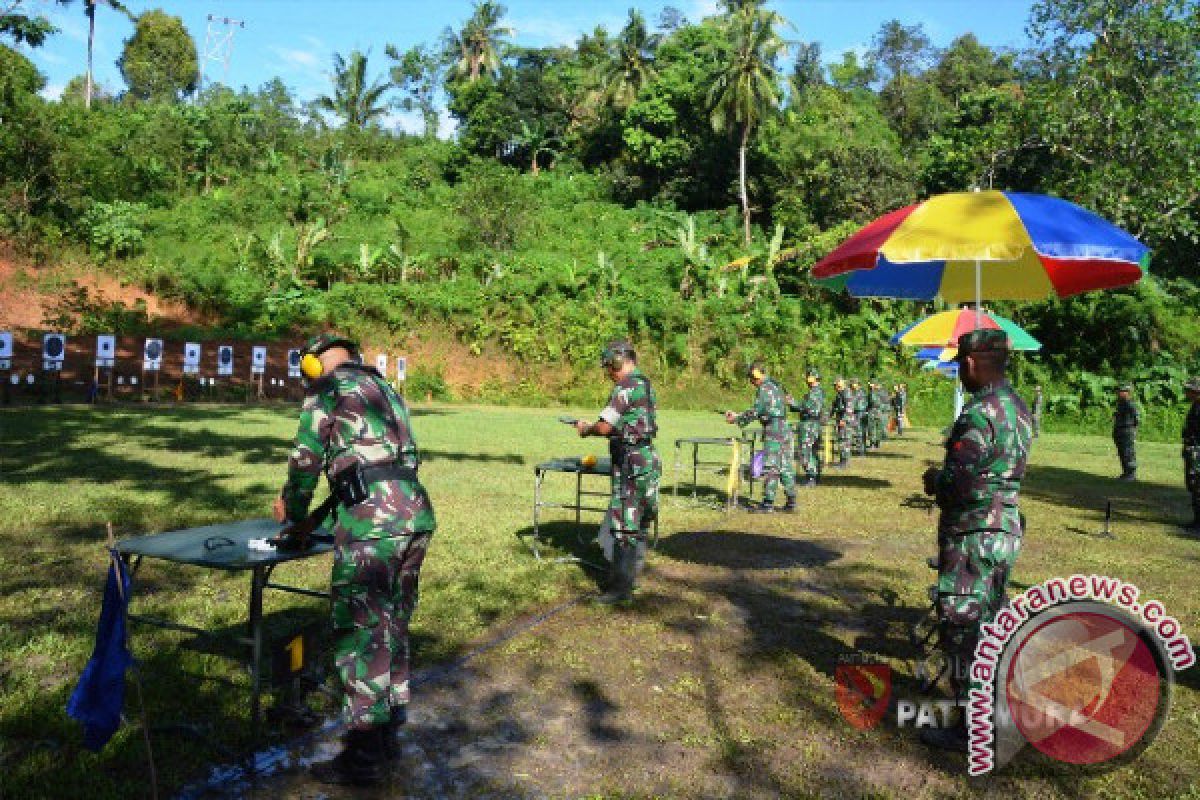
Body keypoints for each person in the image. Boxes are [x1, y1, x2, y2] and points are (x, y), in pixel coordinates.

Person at [274, 332, 437, 786]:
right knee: (393, 627)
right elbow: (370, 467)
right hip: (414, 516)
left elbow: (306, 460)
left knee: (363, 632)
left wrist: (293, 512)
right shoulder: (385, 389)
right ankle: (387, 738)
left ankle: (362, 758)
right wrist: (320, 518)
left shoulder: (325, 389)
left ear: (313, 364)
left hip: (373, 528)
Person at [920, 329, 1032, 751]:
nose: (960, 372)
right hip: (1004, 528)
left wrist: (935, 480)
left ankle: (970, 728)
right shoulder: (1018, 408)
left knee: (963, 625)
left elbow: (959, 484)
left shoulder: (979, 414)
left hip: (973, 534)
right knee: (993, 622)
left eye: (959, 364)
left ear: (970, 363)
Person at [576, 340, 661, 603]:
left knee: (625, 523)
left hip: (630, 462)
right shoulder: (645, 383)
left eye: (609, 367)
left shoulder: (624, 387)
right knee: (641, 520)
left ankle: (619, 590)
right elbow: (629, 422)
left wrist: (586, 428)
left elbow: (603, 427)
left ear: (616, 362)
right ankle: (632, 577)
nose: (608, 373)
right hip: (646, 458)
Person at [727, 362, 797, 513]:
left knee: (771, 466)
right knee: (785, 466)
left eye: (751, 379)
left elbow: (755, 411)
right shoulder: (775, 385)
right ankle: (791, 502)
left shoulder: (764, 389)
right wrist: (739, 416)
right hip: (784, 428)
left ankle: (768, 504)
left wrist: (737, 419)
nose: (752, 382)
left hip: (773, 429)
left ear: (755, 377)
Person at [790, 369, 824, 488]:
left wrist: (792, 402)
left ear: (814, 378)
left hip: (809, 424)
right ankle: (814, 475)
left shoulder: (814, 392)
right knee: (813, 451)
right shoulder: (817, 392)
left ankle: (811, 476)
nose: (806, 378)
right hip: (814, 424)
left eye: (809, 376)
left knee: (805, 451)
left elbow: (805, 407)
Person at [1183, 377, 1200, 533]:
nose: (1186, 392)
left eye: (1188, 390)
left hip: (1198, 452)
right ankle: (1197, 520)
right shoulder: (1195, 406)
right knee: (1194, 485)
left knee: (1198, 486)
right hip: (1193, 450)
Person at [1113, 384, 1140, 481]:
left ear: (1126, 392)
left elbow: (1136, 418)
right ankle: (1125, 473)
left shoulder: (1130, 404)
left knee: (1128, 452)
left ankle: (1131, 474)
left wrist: (1133, 431)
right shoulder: (1121, 403)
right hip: (1119, 430)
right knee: (1122, 452)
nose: (1118, 393)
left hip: (1127, 431)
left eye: (1120, 391)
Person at [830, 378, 855, 468]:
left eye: (836, 385)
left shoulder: (846, 392)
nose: (835, 387)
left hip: (846, 421)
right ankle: (843, 460)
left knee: (845, 441)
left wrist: (844, 419)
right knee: (842, 440)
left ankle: (844, 462)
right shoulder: (839, 394)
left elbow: (849, 407)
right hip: (841, 420)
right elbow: (833, 407)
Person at [852, 379, 869, 455]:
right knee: (859, 432)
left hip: (860, 413)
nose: (852, 385)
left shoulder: (860, 393)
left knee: (860, 432)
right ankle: (861, 449)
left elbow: (856, 404)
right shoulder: (855, 392)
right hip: (858, 413)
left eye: (853, 383)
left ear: (857, 384)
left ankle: (861, 450)